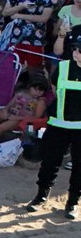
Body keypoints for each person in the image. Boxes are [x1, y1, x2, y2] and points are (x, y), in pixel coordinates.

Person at [27, 34, 81, 219]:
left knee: (79, 167)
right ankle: (41, 196)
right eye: (75, 49)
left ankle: (72, 202)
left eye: (79, 50)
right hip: (58, 124)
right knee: (50, 162)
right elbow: (54, 89)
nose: (76, 53)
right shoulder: (63, 67)